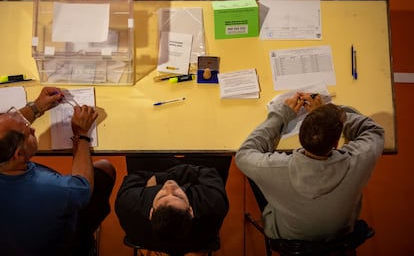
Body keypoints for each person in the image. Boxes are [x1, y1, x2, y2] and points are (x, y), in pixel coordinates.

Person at [235, 92, 384, 241]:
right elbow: (374, 131)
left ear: (301, 137)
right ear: (336, 143)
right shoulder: (359, 160)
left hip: (288, 238)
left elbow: (243, 154)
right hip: (340, 238)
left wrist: (280, 116)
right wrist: (328, 115)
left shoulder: (273, 168)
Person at [0, 87, 116, 256]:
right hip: (58, 246)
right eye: (28, 133)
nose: (32, 129)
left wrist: (36, 107)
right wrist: (81, 134)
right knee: (105, 169)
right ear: (19, 154)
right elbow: (83, 187)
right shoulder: (50, 187)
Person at [115, 162, 229, 254]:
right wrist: (171, 176)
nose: (170, 186)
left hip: (153, 167)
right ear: (191, 210)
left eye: (162, 196)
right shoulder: (212, 203)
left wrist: (159, 178)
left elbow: (135, 175)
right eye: (178, 196)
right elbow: (209, 172)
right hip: (194, 165)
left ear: (151, 212)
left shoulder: (128, 204)